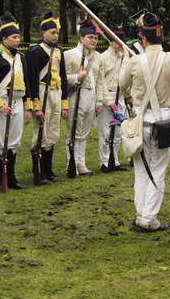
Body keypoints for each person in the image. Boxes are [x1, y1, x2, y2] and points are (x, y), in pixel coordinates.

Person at [119, 12, 170, 232]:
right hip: (163, 122)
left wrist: (127, 62)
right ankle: (147, 218)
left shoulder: (135, 60)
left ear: (143, 38)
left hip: (139, 122)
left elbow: (122, 84)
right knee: (156, 171)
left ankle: (142, 214)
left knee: (141, 170)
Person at [0, 12, 31, 190]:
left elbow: (26, 83)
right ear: (4, 39)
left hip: (18, 102)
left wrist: (27, 107)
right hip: (3, 103)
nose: (17, 40)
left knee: (14, 142)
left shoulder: (20, 58)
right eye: (14, 37)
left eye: (18, 36)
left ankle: (10, 177)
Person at [25, 10, 68, 184]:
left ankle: (48, 171)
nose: (55, 35)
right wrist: (35, 106)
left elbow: (63, 77)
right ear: (43, 33)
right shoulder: (35, 52)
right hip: (42, 93)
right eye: (52, 32)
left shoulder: (58, 51)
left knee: (53, 132)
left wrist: (64, 103)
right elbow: (31, 79)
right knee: (40, 133)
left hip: (56, 94)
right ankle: (38, 170)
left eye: (57, 32)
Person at [64, 19, 111, 176]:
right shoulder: (69, 55)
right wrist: (77, 77)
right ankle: (71, 163)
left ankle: (81, 163)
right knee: (73, 133)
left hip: (91, 97)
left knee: (83, 134)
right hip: (75, 95)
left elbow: (100, 81)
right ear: (81, 38)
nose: (93, 40)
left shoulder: (98, 57)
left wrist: (98, 101)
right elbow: (63, 79)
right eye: (90, 37)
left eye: (95, 38)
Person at [97, 27, 129, 173]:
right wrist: (106, 101)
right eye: (116, 40)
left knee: (117, 131)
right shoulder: (103, 57)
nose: (119, 44)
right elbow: (100, 81)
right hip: (107, 96)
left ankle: (114, 160)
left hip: (120, 95)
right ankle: (105, 162)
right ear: (110, 41)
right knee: (105, 130)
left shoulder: (123, 57)